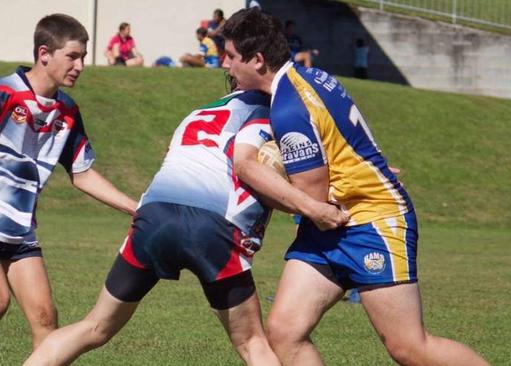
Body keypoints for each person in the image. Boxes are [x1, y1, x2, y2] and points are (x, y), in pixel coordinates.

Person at [223, 8, 490, 365]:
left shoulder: (289, 108)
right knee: (285, 332)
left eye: (231, 56)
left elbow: (312, 200)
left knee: (409, 348)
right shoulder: (311, 77)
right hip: (330, 225)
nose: (225, 65)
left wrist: (259, 176)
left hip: (372, 220)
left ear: (257, 60)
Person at [24, 79, 349, 364]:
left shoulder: (197, 113)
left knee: (94, 326)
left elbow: (175, 155)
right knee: (253, 344)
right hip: (213, 227)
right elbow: (257, 169)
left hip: (155, 217)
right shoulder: (273, 112)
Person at [0, 14, 138, 350]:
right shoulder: (6, 92)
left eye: (83, 58)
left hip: (19, 230)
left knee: (46, 319)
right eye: (73, 56)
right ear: (44, 53)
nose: (80, 66)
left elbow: (83, 173)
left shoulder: (67, 111)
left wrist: (137, 208)